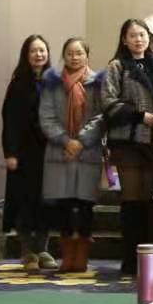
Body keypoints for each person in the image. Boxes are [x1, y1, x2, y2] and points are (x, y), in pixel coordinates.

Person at [104, 18, 153, 275]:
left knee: (149, 200)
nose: (138, 40)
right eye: (133, 35)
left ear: (148, 37)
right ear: (124, 39)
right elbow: (108, 102)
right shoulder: (117, 66)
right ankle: (130, 261)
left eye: (142, 35)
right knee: (132, 200)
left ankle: (149, 259)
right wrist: (139, 116)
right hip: (127, 140)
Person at [39, 37, 104, 274]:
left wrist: (81, 141)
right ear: (64, 56)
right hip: (60, 151)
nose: (74, 57)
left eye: (79, 53)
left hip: (88, 151)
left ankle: (81, 257)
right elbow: (46, 117)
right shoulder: (52, 83)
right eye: (70, 53)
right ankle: (67, 258)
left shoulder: (98, 82)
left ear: (87, 56)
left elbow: (102, 116)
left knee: (85, 207)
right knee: (64, 207)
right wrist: (66, 141)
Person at [3, 34, 54, 270]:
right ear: (26, 55)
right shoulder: (18, 83)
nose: (38, 54)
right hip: (24, 154)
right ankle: (27, 252)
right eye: (33, 51)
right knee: (24, 202)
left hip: (49, 151)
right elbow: (10, 121)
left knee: (46, 202)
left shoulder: (54, 81)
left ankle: (43, 249)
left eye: (42, 50)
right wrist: (10, 153)